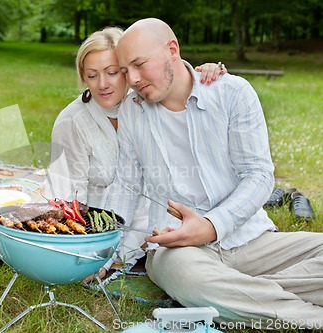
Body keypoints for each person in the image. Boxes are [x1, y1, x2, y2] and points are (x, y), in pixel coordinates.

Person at [106, 18, 323, 329]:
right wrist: (109, 255)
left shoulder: (233, 92)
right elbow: (127, 185)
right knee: (187, 279)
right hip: (178, 250)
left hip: (250, 240)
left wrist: (211, 226)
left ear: (172, 50)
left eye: (139, 64)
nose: (134, 79)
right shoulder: (132, 110)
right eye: (126, 71)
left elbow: (259, 175)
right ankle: (310, 315)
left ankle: (237, 294)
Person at [44, 26, 226, 281]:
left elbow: (179, 82)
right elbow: (66, 194)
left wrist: (209, 72)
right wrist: (87, 247)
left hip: (158, 215)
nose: (103, 84)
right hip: (102, 225)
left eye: (112, 72)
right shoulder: (73, 121)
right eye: (92, 75)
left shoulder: (148, 101)